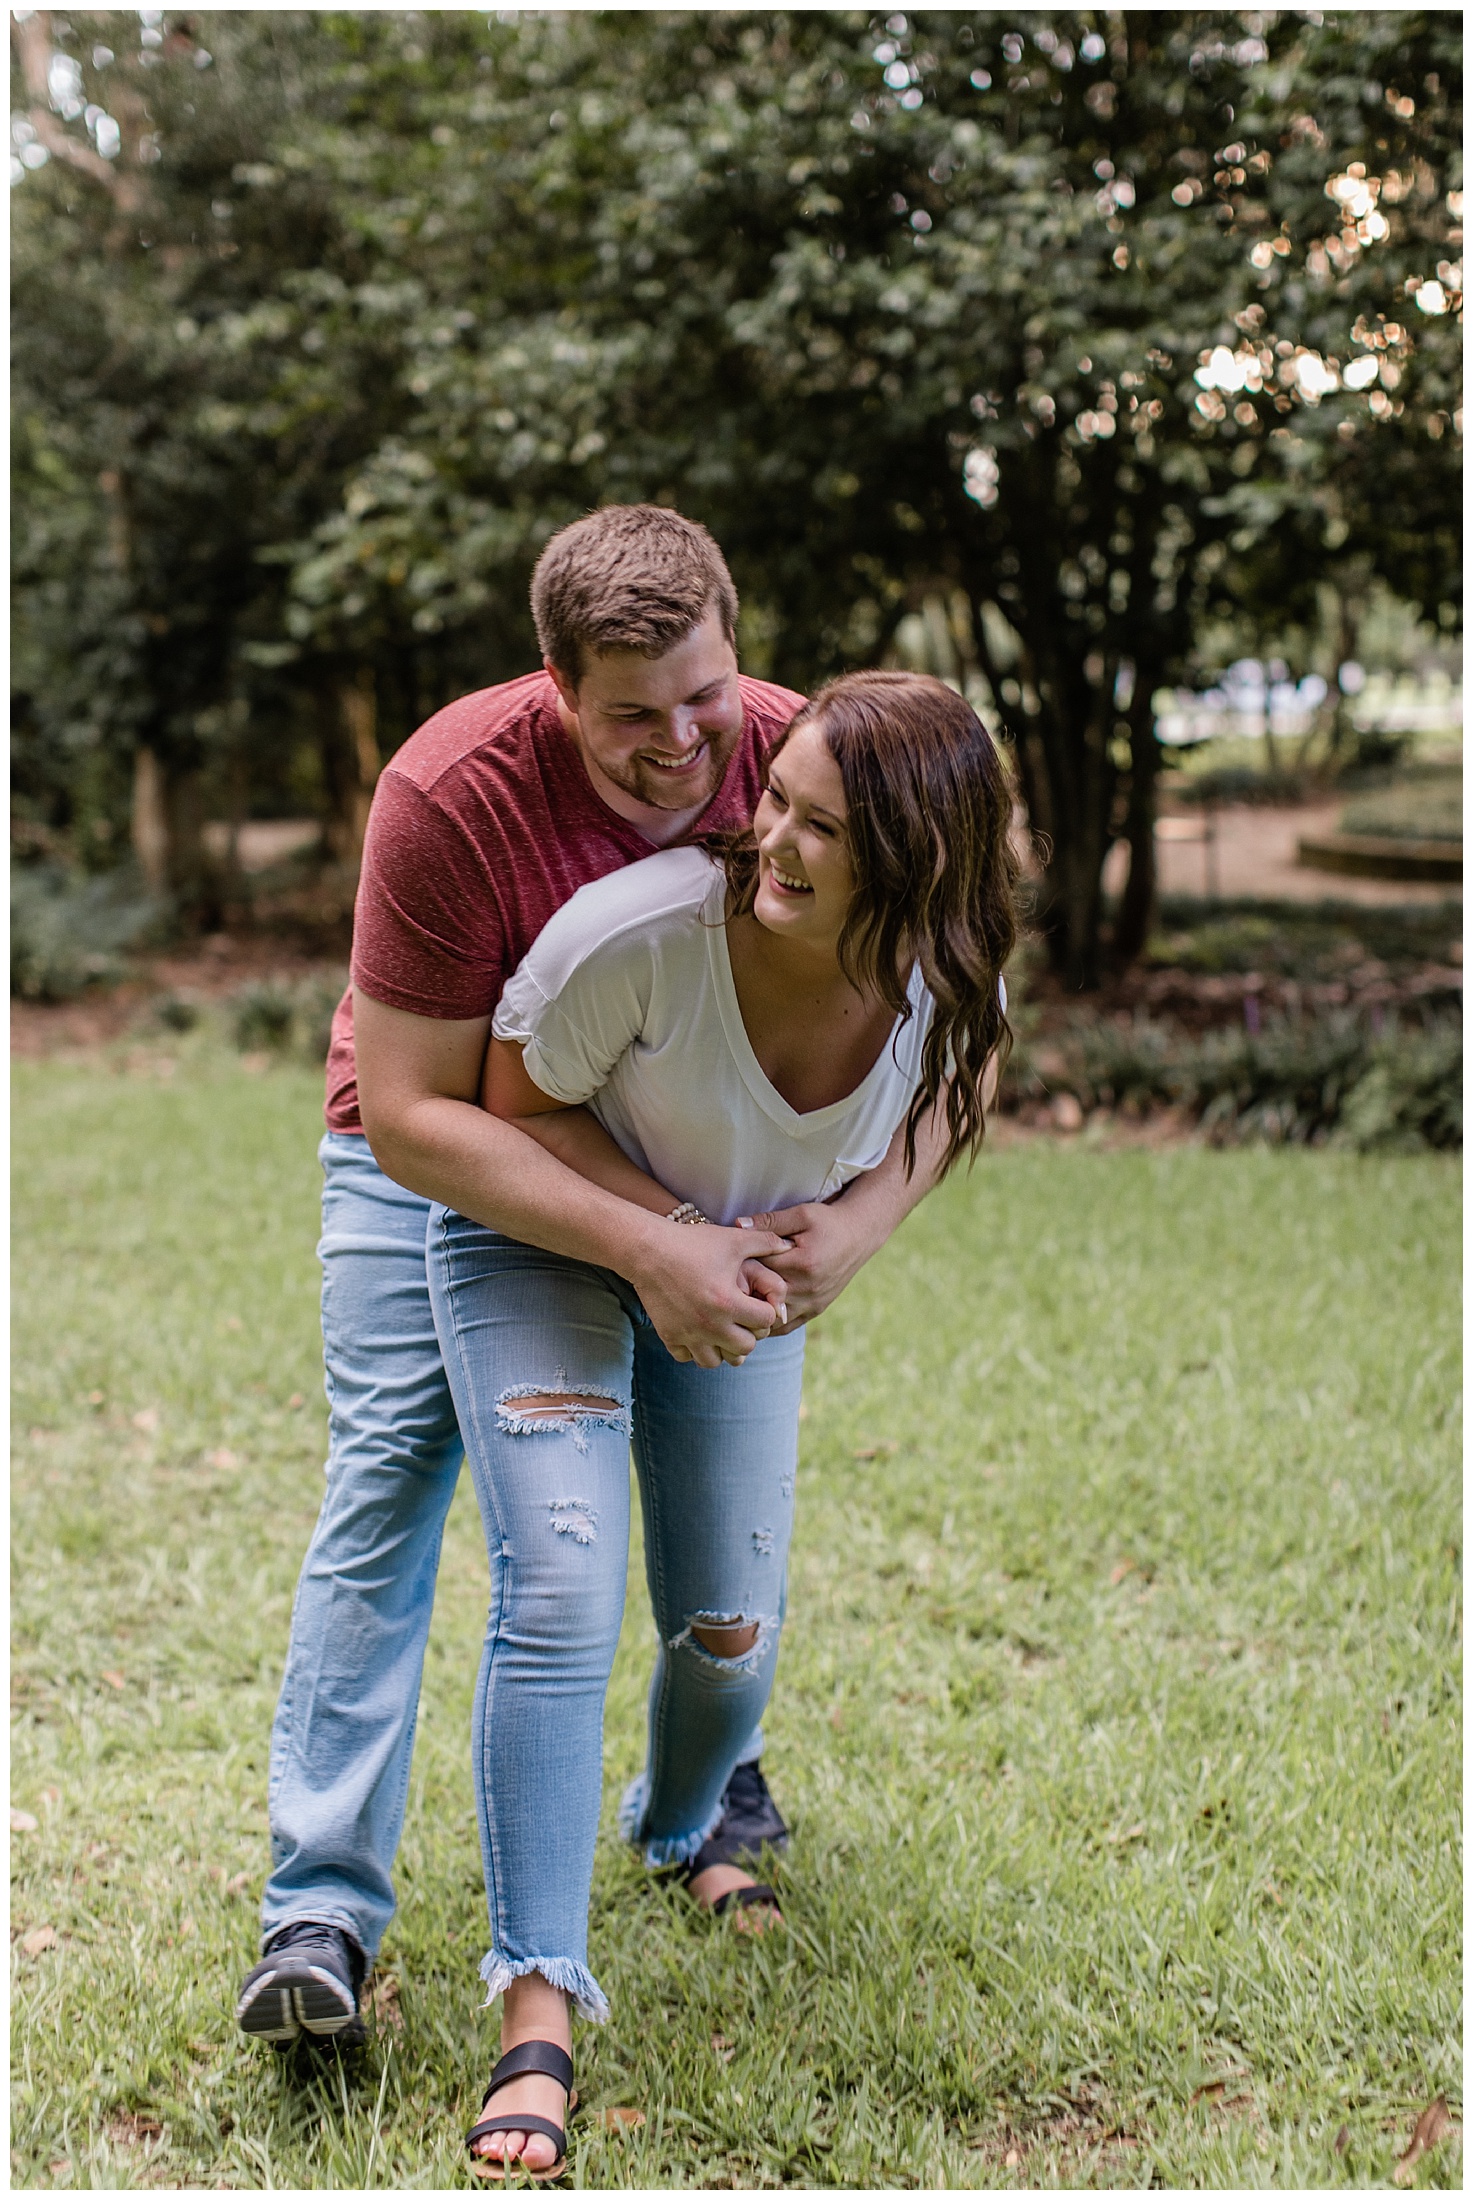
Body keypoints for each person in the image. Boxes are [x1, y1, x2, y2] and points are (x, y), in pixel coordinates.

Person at [236, 509, 952, 2055]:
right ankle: (321, 1908)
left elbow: (952, 984)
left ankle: (700, 1797)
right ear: (554, 689)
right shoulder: (451, 791)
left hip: (682, 1157)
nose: (684, 747)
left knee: (721, 1566)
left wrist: (815, 1225)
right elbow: (427, 1113)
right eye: (630, 716)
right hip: (433, 1154)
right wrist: (647, 1246)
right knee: (393, 1472)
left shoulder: (790, 756)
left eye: (706, 698)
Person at [433, 669, 1018, 2176]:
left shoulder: (949, 968)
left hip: (738, 1274)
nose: (774, 842)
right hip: (541, 1245)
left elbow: (965, 1081)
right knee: (560, 1583)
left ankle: (684, 1822)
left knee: (730, 1628)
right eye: (779, 803)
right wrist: (670, 1237)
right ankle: (537, 2004)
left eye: (823, 828)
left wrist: (863, 1222)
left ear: (919, 866)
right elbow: (507, 1105)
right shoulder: (635, 938)